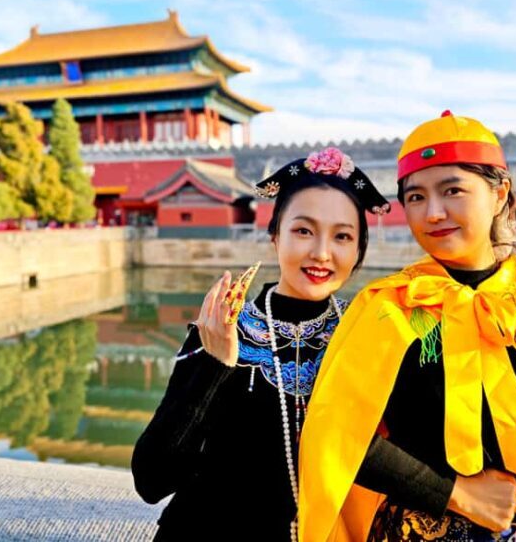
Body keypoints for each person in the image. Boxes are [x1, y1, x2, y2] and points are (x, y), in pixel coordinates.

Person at [298, 112, 516, 542]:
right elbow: (337, 439)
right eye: (415, 198)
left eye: (453, 190)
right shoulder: (388, 310)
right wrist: (456, 493)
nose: (433, 213)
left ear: (500, 193)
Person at [132, 147, 397, 541]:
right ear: (275, 237)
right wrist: (217, 366)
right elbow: (152, 480)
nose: (321, 253)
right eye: (303, 230)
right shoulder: (225, 327)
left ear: (359, 251)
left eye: (342, 236)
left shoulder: (368, 334)